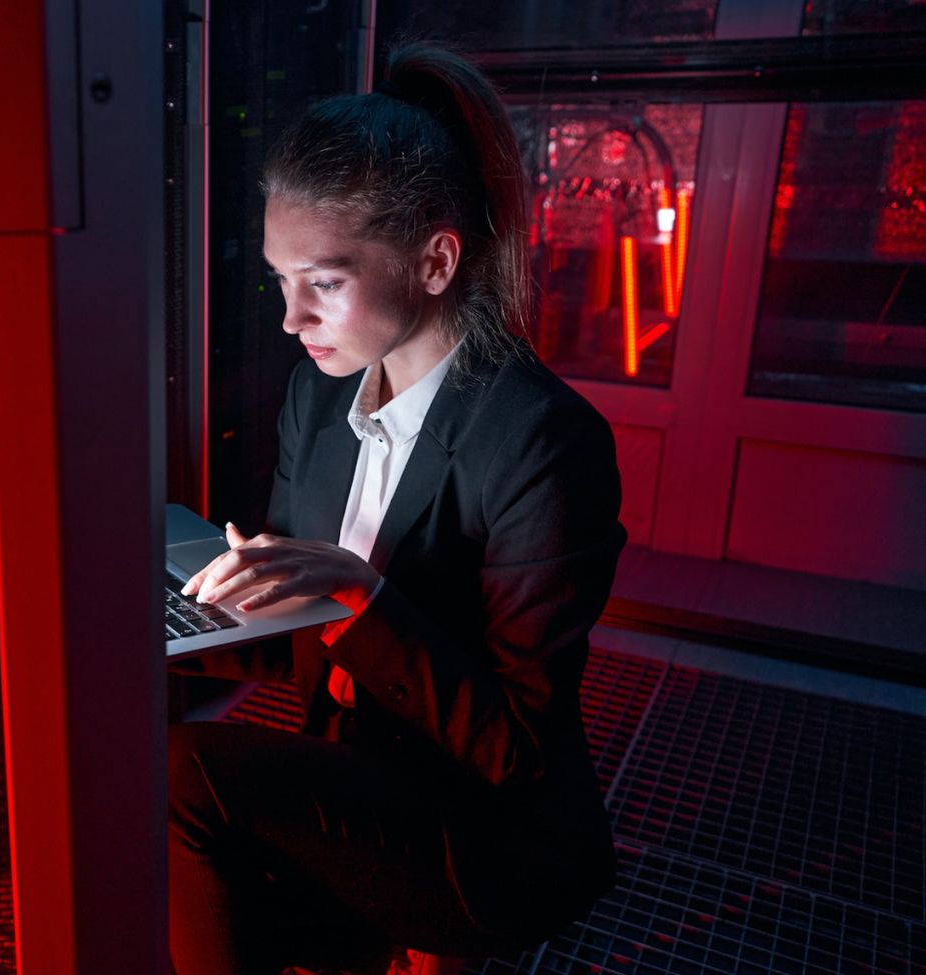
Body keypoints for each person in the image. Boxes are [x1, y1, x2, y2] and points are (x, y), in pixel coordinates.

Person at [168, 43, 626, 975]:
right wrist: (178, 606)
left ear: (433, 261)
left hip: (485, 824)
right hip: (356, 765)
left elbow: (515, 749)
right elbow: (296, 632)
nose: (292, 321)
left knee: (185, 779)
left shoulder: (542, 441)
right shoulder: (319, 397)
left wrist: (359, 599)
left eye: (322, 285)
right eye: (279, 282)